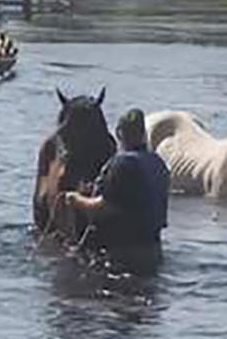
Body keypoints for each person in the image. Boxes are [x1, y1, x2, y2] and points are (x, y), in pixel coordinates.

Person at [64, 108, 170, 262]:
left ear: (120, 134)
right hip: (153, 250)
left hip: (121, 253)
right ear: (144, 134)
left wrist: (75, 199)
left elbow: (101, 208)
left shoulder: (122, 164)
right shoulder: (157, 163)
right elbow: (133, 198)